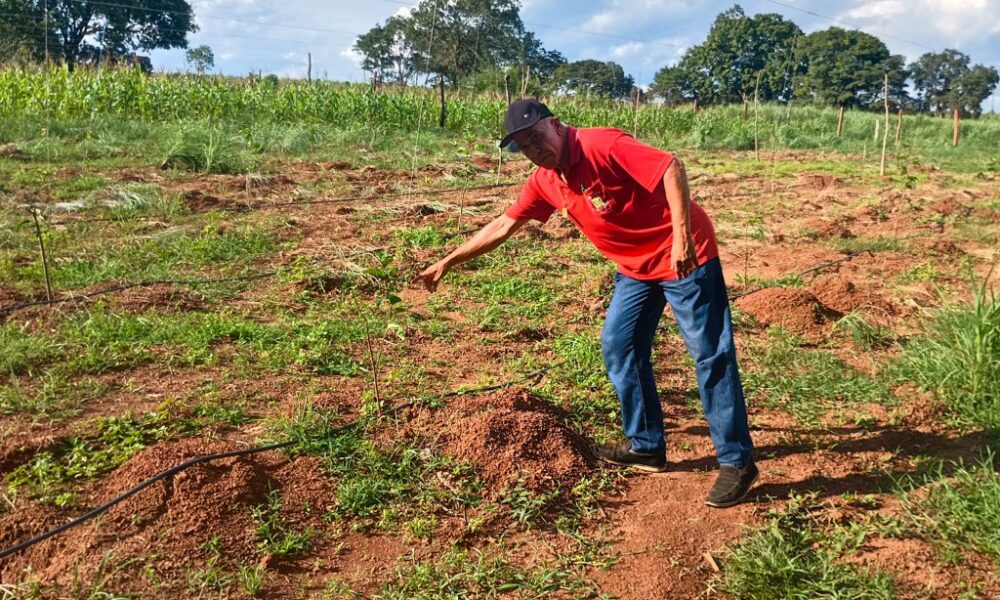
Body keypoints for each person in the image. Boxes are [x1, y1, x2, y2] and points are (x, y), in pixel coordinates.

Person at [417, 99, 757, 508]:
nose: (534, 150)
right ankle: (646, 445)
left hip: (683, 256)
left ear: (556, 125)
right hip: (635, 268)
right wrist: (448, 260)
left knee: (709, 353)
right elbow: (504, 224)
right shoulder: (545, 180)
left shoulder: (601, 145)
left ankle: (736, 461)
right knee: (620, 345)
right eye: (524, 146)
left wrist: (682, 237)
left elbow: (671, 166)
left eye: (536, 137)